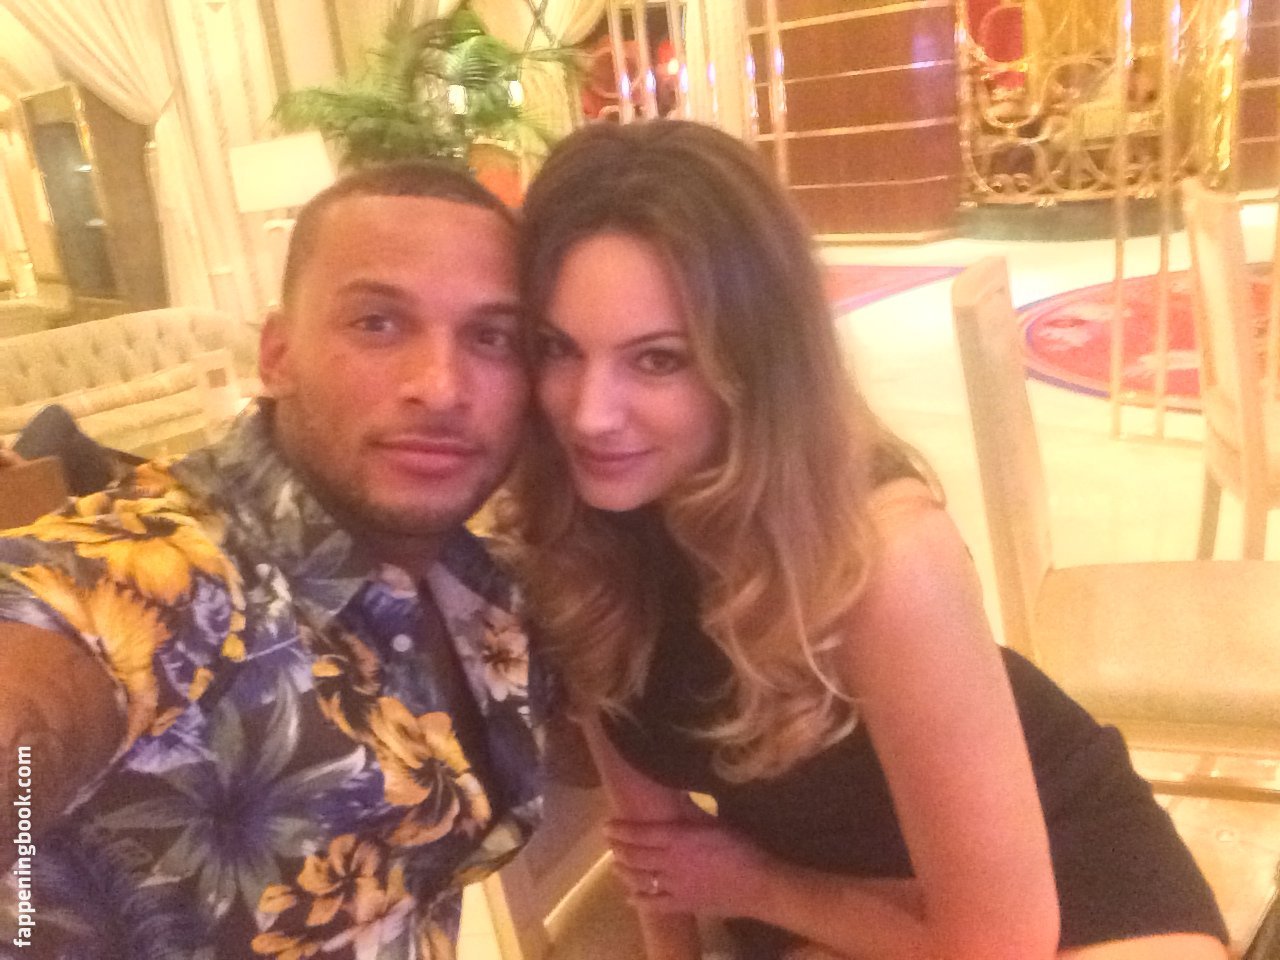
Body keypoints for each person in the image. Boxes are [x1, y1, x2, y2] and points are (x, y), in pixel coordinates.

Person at [502, 119, 1229, 960]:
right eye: (558, 349)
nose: (590, 414)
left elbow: (1000, 944)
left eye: (658, 359)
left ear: (756, 363)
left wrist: (756, 884)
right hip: (841, 906)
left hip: (1059, 893)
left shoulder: (884, 557)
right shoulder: (583, 537)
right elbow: (656, 854)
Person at [0, 161, 547, 959]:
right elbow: (53, 652)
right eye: (377, 324)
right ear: (278, 355)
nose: (440, 386)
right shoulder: (169, 566)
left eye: (492, 337)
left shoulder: (489, 590)